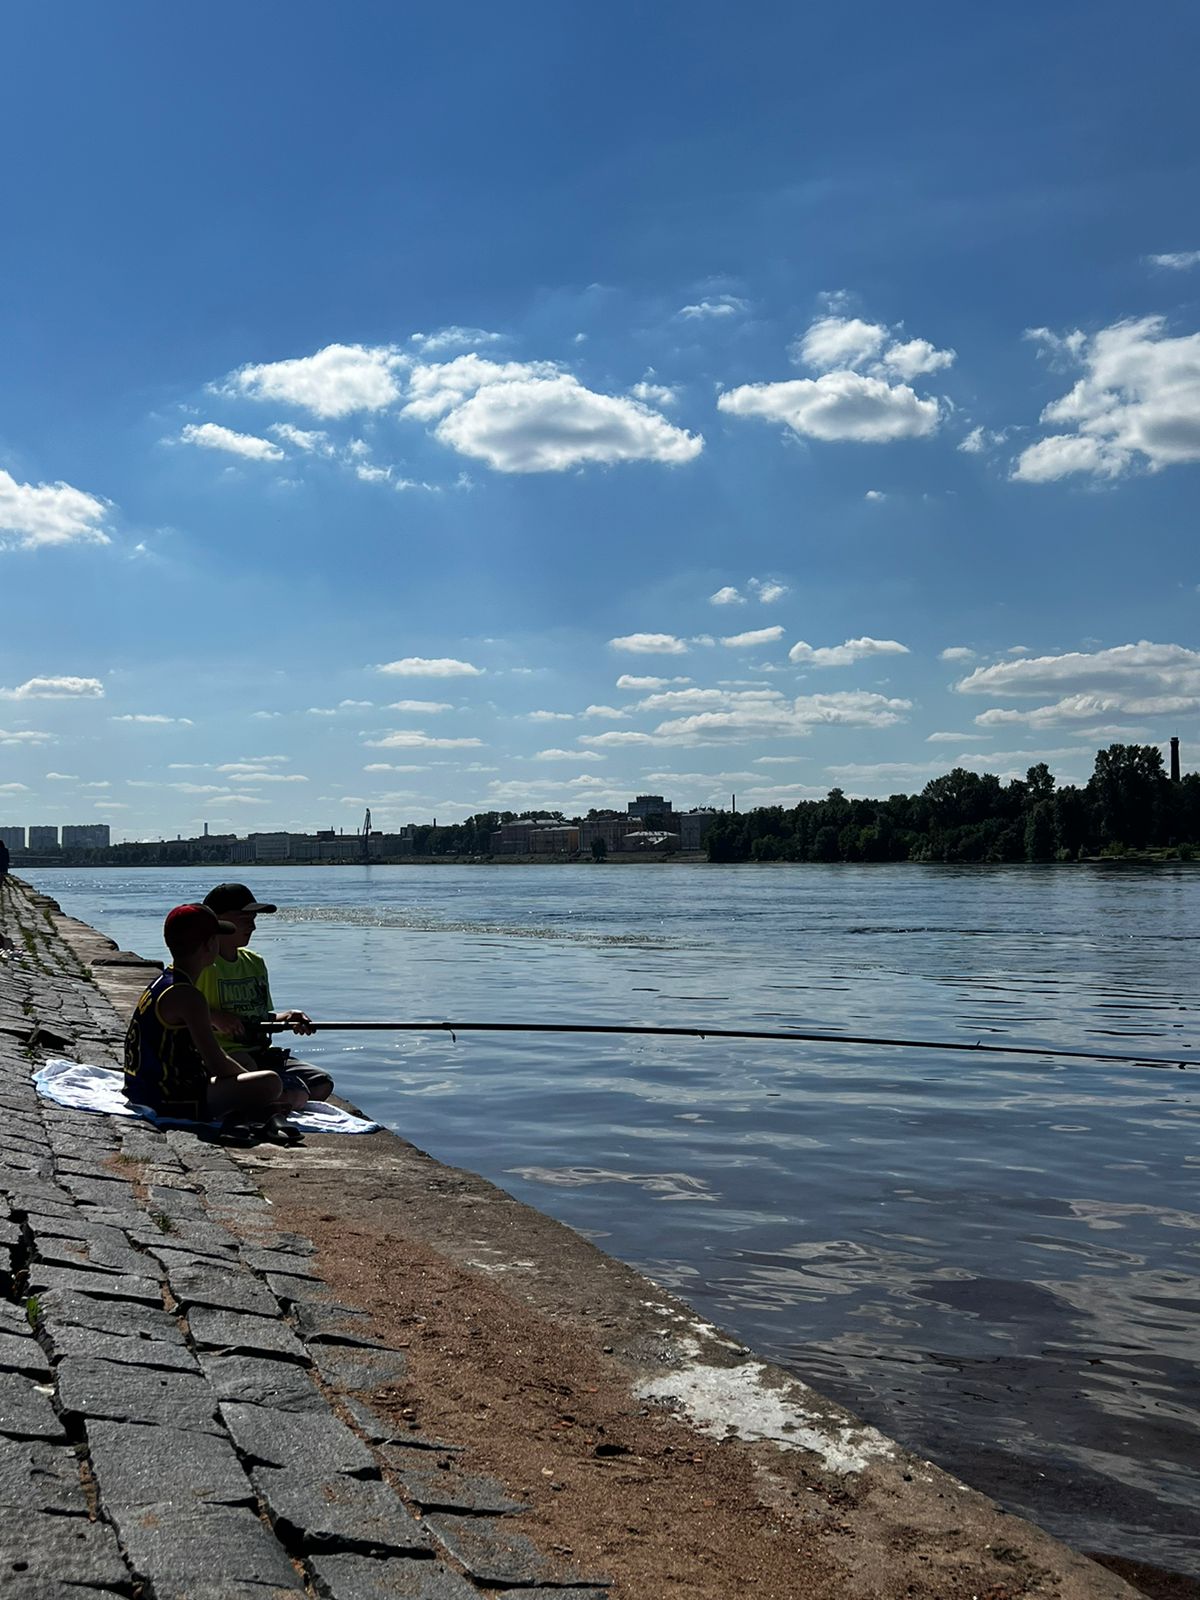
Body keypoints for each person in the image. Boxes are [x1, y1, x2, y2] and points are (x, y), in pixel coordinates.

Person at [124, 903, 306, 1127]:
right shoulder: (188, 995)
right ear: (210, 945)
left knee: (259, 1081)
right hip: (168, 1098)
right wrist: (251, 1087)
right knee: (270, 1083)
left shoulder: (164, 982)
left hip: (143, 1087)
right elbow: (217, 1062)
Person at [195, 883, 335, 1103]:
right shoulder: (202, 964)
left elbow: (260, 1017)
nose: (252, 927)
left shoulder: (255, 963)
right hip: (224, 1053)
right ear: (217, 920)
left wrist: (287, 1017)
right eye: (244, 919)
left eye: (253, 919)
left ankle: (273, 1095)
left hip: (260, 1052)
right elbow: (175, 1002)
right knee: (292, 1092)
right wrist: (214, 1017)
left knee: (322, 1083)